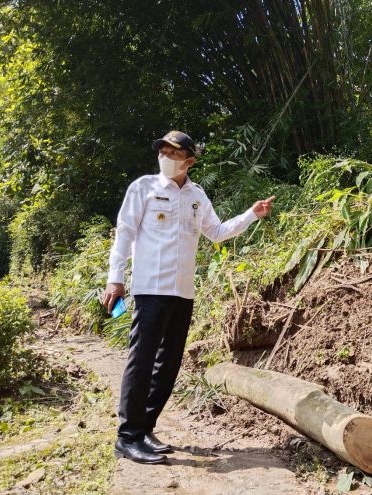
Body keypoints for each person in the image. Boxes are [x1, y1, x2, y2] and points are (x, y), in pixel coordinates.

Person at [102, 130, 274, 464]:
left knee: (168, 363)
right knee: (142, 361)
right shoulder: (143, 188)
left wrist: (252, 214)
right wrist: (115, 279)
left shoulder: (196, 196)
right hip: (151, 288)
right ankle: (127, 436)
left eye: (173, 153)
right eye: (162, 151)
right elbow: (124, 233)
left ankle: (145, 428)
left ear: (189, 161)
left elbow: (218, 233)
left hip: (182, 291)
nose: (165, 157)